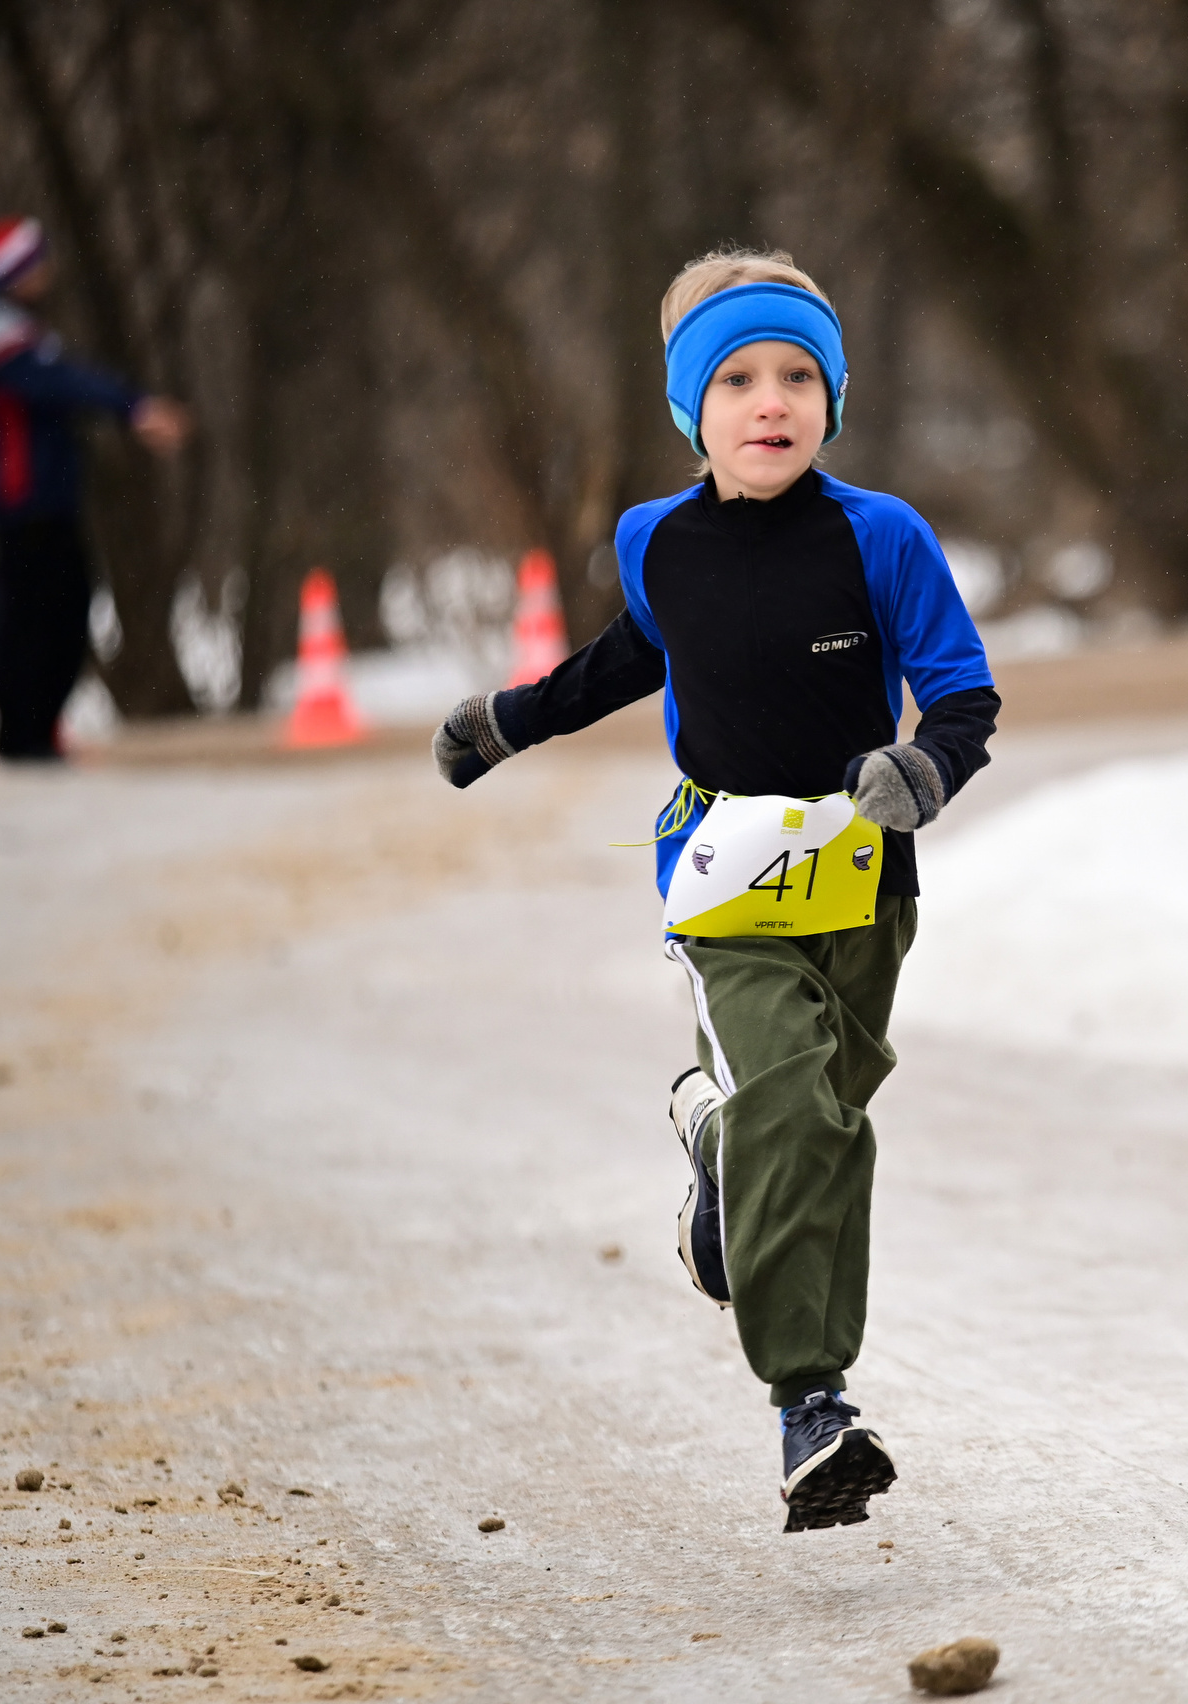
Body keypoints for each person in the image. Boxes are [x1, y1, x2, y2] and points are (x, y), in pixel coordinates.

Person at [431, 249, 1000, 1532]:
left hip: (862, 883)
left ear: (833, 398)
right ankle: (812, 1402)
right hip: (721, 878)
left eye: (798, 376)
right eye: (737, 379)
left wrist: (923, 769)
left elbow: (963, 693)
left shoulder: (882, 537)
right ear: (692, 407)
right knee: (791, 1105)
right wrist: (509, 722)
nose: (770, 401)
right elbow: (629, 657)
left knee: (824, 1121)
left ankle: (715, 1142)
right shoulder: (656, 541)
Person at [0, 217, 188, 761]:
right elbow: (60, 382)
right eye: (38, 263)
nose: (49, 272)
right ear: (15, 271)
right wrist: (132, 405)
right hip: (20, 499)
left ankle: (32, 729)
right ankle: (24, 734)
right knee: (41, 614)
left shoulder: (6, 326)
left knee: (55, 610)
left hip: (38, 497)